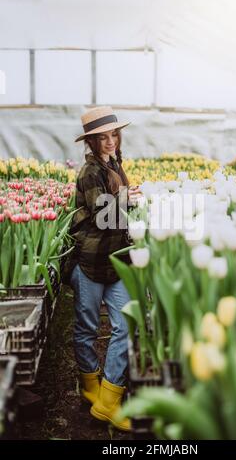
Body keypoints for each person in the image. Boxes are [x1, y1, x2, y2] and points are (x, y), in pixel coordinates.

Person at [65, 106, 141, 432]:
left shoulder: (115, 164)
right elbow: (101, 214)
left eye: (113, 134)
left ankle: (109, 398)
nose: (110, 141)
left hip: (116, 260)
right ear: (91, 142)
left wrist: (129, 196)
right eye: (102, 137)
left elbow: (117, 209)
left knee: (125, 326)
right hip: (91, 262)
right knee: (86, 328)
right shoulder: (89, 172)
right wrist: (127, 198)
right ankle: (89, 387)